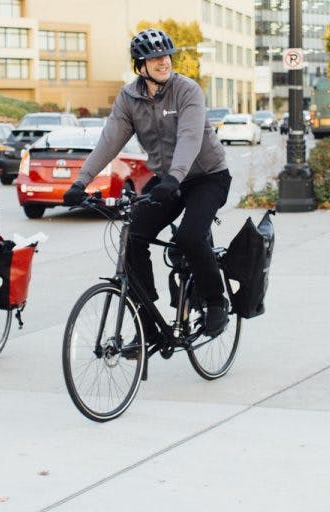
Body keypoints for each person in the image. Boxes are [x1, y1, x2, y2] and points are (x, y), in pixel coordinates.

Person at [63, 28, 232, 340]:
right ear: (140, 65)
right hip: (168, 178)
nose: (163, 61)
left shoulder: (187, 90)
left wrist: (174, 178)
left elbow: (190, 138)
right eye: (154, 57)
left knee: (190, 236)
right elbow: (108, 142)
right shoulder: (129, 99)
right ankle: (147, 320)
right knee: (133, 238)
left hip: (207, 176)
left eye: (166, 55)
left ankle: (215, 300)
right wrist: (80, 182)